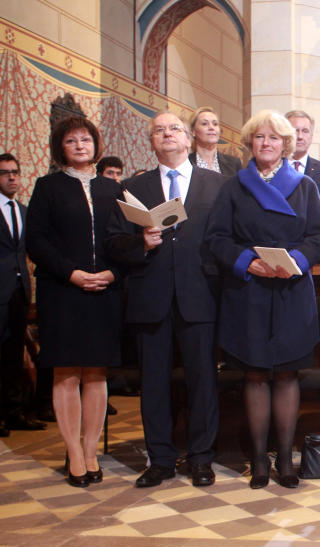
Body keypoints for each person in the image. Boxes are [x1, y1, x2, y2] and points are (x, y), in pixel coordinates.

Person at [206, 110, 320, 490]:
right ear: (249, 143)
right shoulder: (233, 187)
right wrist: (248, 263)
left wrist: (296, 261)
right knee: (256, 374)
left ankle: (286, 457)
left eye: (274, 138)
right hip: (250, 291)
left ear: (286, 144)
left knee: (288, 374)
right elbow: (217, 239)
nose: (266, 144)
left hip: (291, 289)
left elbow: (318, 236)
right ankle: (259, 459)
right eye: (259, 138)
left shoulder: (305, 185)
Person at [106, 112, 227, 488]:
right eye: (159, 130)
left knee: (203, 380)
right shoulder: (132, 187)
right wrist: (141, 242)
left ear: (189, 140)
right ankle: (160, 458)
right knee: (154, 382)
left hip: (200, 295)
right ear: (152, 142)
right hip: (150, 295)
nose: (167, 134)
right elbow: (113, 242)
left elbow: (225, 237)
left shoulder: (218, 184)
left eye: (174, 128)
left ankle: (202, 457)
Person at [25, 116, 124, 487]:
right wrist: (72, 273)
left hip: (105, 289)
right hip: (63, 290)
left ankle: (90, 449)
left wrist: (113, 272)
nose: (81, 145)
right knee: (66, 372)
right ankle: (73, 453)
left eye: (86, 139)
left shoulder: (112, 189)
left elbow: (123, 239)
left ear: (96, 145)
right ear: (60, 148)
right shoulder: (48, 187)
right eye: (71, 141)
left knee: (96, 373)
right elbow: (36, 240)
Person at [0, 154, 43, 436]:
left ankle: (13, 412)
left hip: (20, 291)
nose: (12, 177)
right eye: (5, 173)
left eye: (15, 172)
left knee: (14, 354)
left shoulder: (24, 210)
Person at [286, 110, 320, 229]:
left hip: (314, 242)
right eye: (295, 130)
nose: (300, 136)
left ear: (311, 136)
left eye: (305, 131)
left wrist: (319, 239)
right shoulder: (273, 169)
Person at [188, 107, 242, 177]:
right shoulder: (186, 162)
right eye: (204, 124)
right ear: (193, 131)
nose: (211, 127)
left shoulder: (234, 164)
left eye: (215, 124)